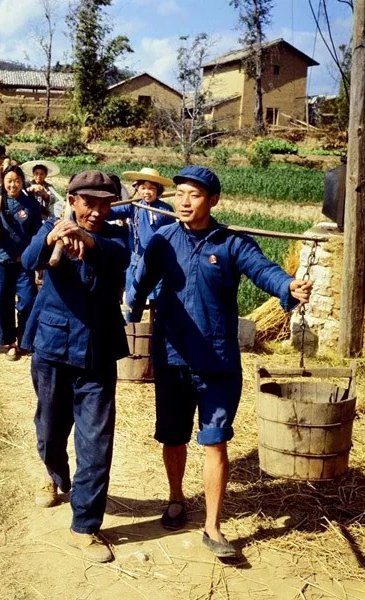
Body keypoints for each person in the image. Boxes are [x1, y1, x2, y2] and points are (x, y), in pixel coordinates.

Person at [127, 166, 313, 558]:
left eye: (193, 195)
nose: (183, 201)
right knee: (173, 437)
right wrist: (132, 302)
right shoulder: (163, 240)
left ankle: (212, 525)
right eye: (179, 193)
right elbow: (141, 282)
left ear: (212, 201)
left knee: (215, 443)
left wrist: (288, 286)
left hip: (217, 364)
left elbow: (264, 271)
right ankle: (176, 497)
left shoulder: (231, 244)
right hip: (173, 359)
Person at [21, 170, 130, 563]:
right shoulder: (51, 226)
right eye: (89, 203)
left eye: (105, 204)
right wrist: (52, 238)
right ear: (71, 199)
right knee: (50, 430)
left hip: (98, 355)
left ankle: (84, 525)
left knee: (96, 445)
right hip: (52, 348)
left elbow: (119, 256)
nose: (98, 211)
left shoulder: (117, 236)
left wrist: (87, 238)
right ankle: (54, 475)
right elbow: (28, 260)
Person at [0, 165, 42, 360]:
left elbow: (38, 234)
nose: (13, 185)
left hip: (24, 263)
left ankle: (25, 339)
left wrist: (34, 257)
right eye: (9, 181)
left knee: (28, 300)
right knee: (3, 302)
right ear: (3, 182)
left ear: (22, 182)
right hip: (1, 260)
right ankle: (9, 342)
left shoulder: (31, 204)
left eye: (17, 181)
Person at [109, 167, 175, 306]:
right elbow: (110, 213)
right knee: (133, 300)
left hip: (157, 261)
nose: (147, 192)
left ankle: (154, 323)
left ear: (158, 190)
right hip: (135, 259)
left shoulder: (165, 210)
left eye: (151, 188)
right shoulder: (133, 206)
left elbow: (173, 235)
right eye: (143, 187)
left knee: (155, 298)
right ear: (137, 189)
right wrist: (99, 206)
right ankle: (133, 323)